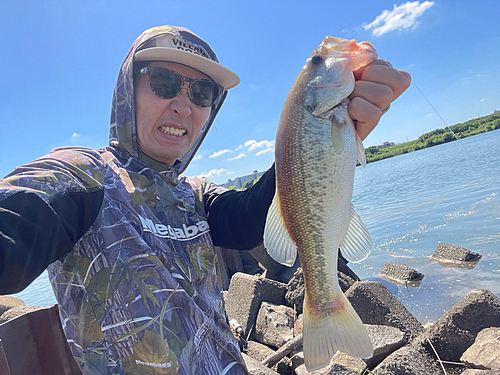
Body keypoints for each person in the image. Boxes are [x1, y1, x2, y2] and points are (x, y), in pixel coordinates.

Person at [0, 25, 410, 374]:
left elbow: (250, 216)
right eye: (163, 83)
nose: (182, 105)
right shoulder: (80, 176)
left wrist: (317, 146)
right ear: (129, 89)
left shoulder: (196, 194)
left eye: (201, 93)